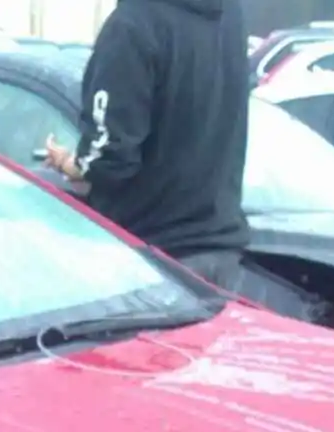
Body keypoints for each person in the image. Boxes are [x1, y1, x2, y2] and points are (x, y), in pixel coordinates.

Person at [43, 0, 251, 289]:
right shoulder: (229, 13)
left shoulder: (133, 25)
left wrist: (72, 165)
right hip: (221, 249)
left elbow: (111, 156)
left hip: (151, 256)